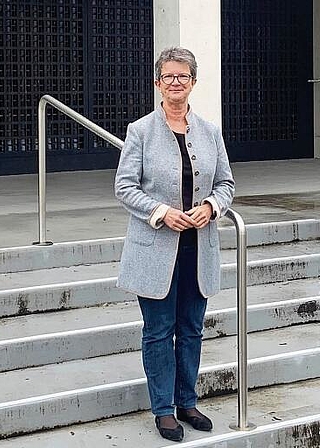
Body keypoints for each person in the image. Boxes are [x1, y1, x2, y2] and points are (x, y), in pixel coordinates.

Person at [114, 46, 235, 442]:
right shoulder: (140, 131)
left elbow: (226, 184)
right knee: (158, 330)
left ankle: (187, 401)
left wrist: (212, 207)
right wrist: (162, 212)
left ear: (193, 82)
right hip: (156, 247)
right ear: (157, 83)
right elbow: (125, 187)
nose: (175, 83)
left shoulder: (210, 132)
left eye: (183, 76)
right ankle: (164, 410)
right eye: (168, 77)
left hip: (198, 247)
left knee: (192, 328)